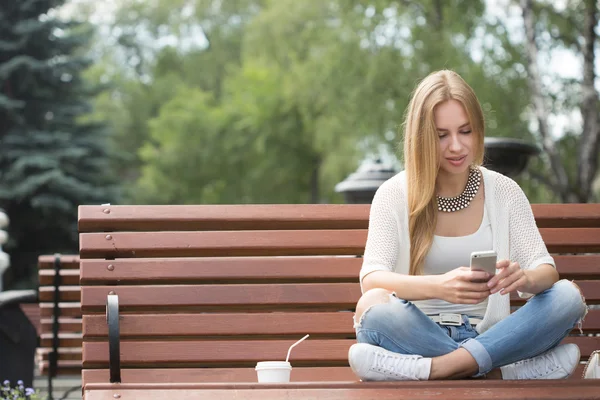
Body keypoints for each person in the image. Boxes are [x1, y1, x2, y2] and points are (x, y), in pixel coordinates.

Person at [349, 70, 588, 381]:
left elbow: (546, 270)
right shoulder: (393, 193)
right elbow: (371, 278)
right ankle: (501, 371)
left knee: (567, 296)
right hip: (418, 335)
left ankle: (437, 370)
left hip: (490, 333)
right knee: (372, 306)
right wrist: (440, 286)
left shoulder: (505, 191)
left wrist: (525, 278)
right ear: (422, 137)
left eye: (465, 131)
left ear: (478, 130)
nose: (456, 147)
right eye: (441, 135)